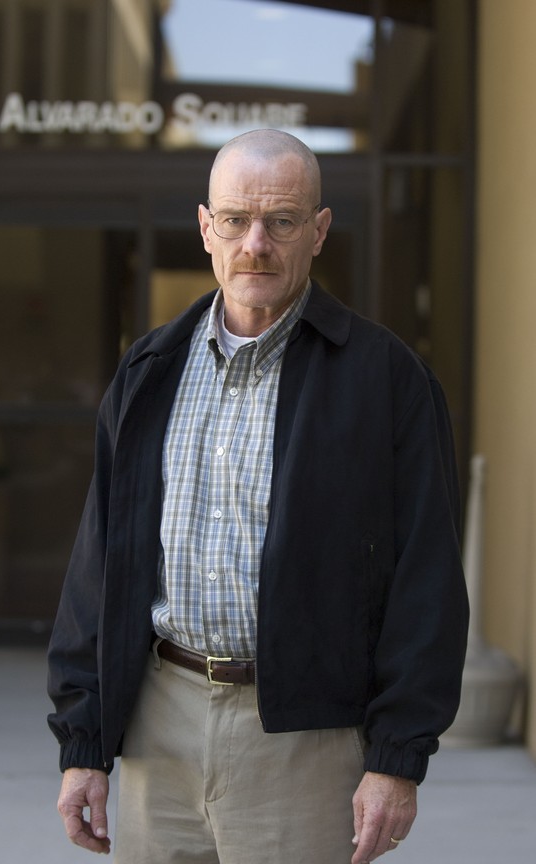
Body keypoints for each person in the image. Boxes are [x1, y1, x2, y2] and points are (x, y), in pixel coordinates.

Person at [48, 129, 468, 864]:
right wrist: (83, 743)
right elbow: (98, 566)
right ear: (205, 227)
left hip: (304, 740)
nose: (256, 244)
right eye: (236, 219)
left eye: (281, 221)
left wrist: (397, 757)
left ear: (319, 231)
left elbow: (426, 579)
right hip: (157, 726)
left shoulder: (385, 378)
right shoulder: (149, 370)